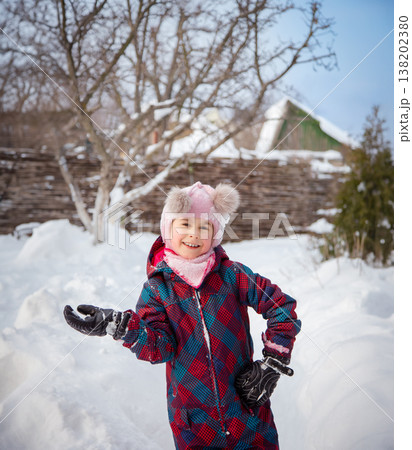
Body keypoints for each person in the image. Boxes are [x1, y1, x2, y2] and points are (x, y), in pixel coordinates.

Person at [64, 181, 301, 449]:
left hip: (248, 416)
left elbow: (281, 308)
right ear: (168, 229)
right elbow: (159, 348)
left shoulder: (232, 275)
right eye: (185, 224)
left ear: (215, 234)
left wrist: (273, 362)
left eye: (204, 226)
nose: (194, 234)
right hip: (194, 426)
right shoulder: (158, 289)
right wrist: (120, 326)